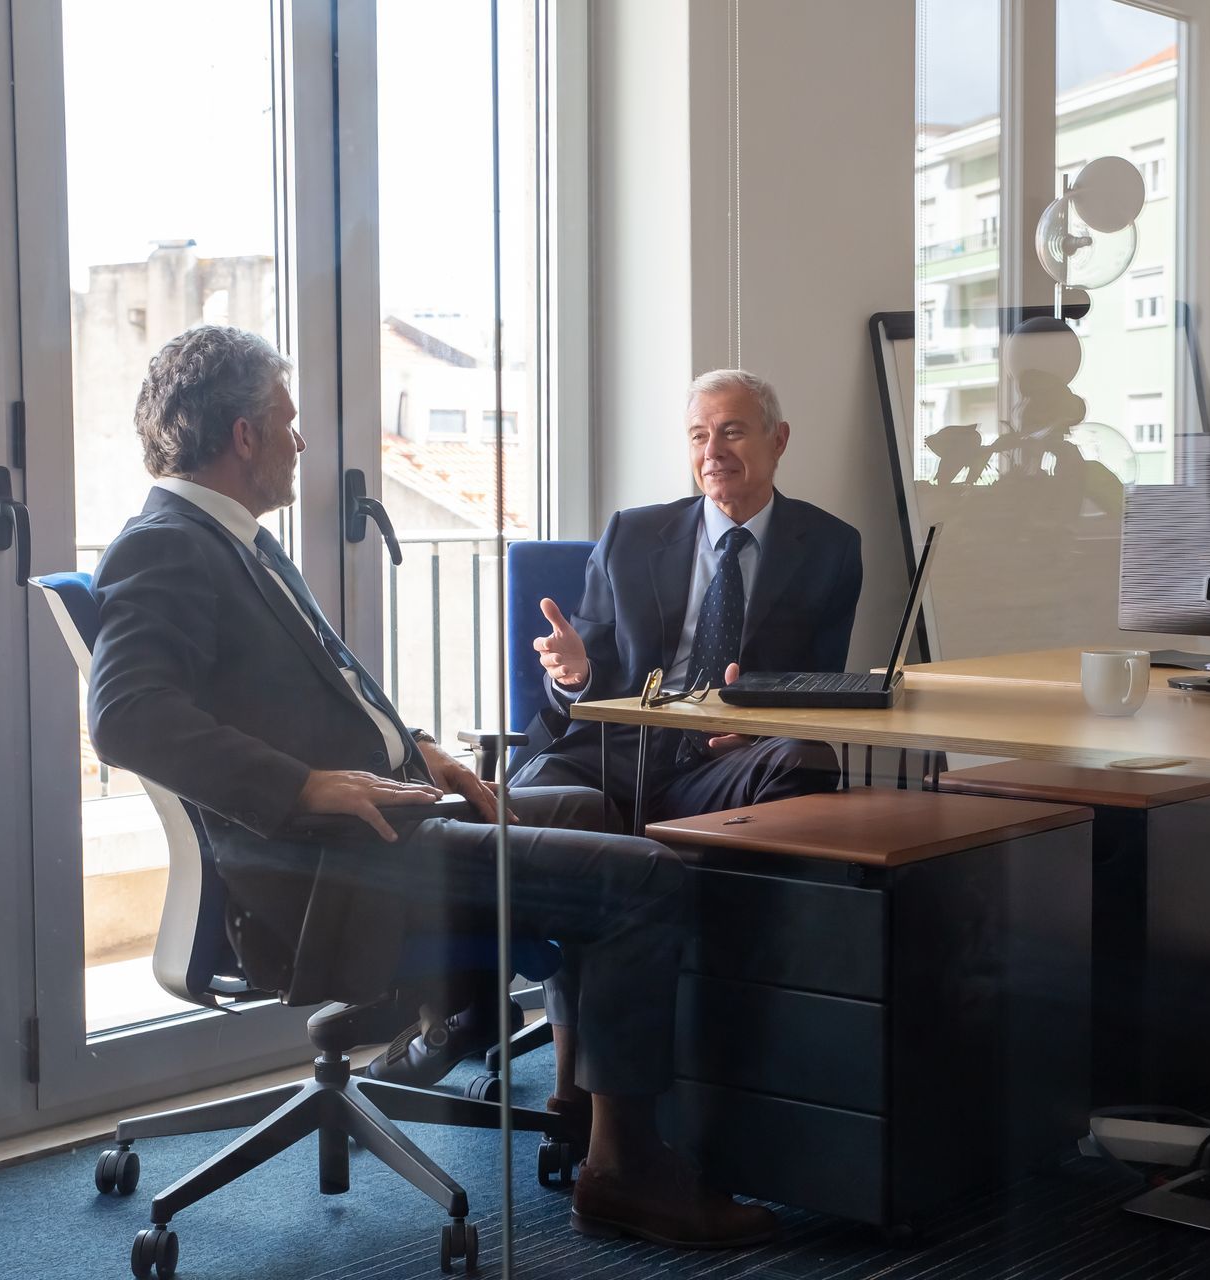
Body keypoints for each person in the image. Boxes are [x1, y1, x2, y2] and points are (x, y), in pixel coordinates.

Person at [86, 325, 774, 1248]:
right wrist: (308, 788)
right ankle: (625, 1168)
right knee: (645, 876)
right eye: (287, 425)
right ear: (243, 435)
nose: (299, 443)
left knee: (589, 806)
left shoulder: (229, 541)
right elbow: (126, 716)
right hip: (333, 862)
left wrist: (420, 754)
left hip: (382, 818)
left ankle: (578, 1098)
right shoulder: (167, 546)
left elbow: (297, 699)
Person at [507, 369, 863, 825]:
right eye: (699, 436)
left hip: (727, 758)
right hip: (615, 751)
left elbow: (821, 686)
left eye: (732, 432)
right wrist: (574, 676)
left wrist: (758, 733)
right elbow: (586, 677)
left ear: (778, 440)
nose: (713, 452)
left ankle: (715, 894)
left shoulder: (829, 547)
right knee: (521, 804)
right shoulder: (630, 536)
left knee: (801, 759)